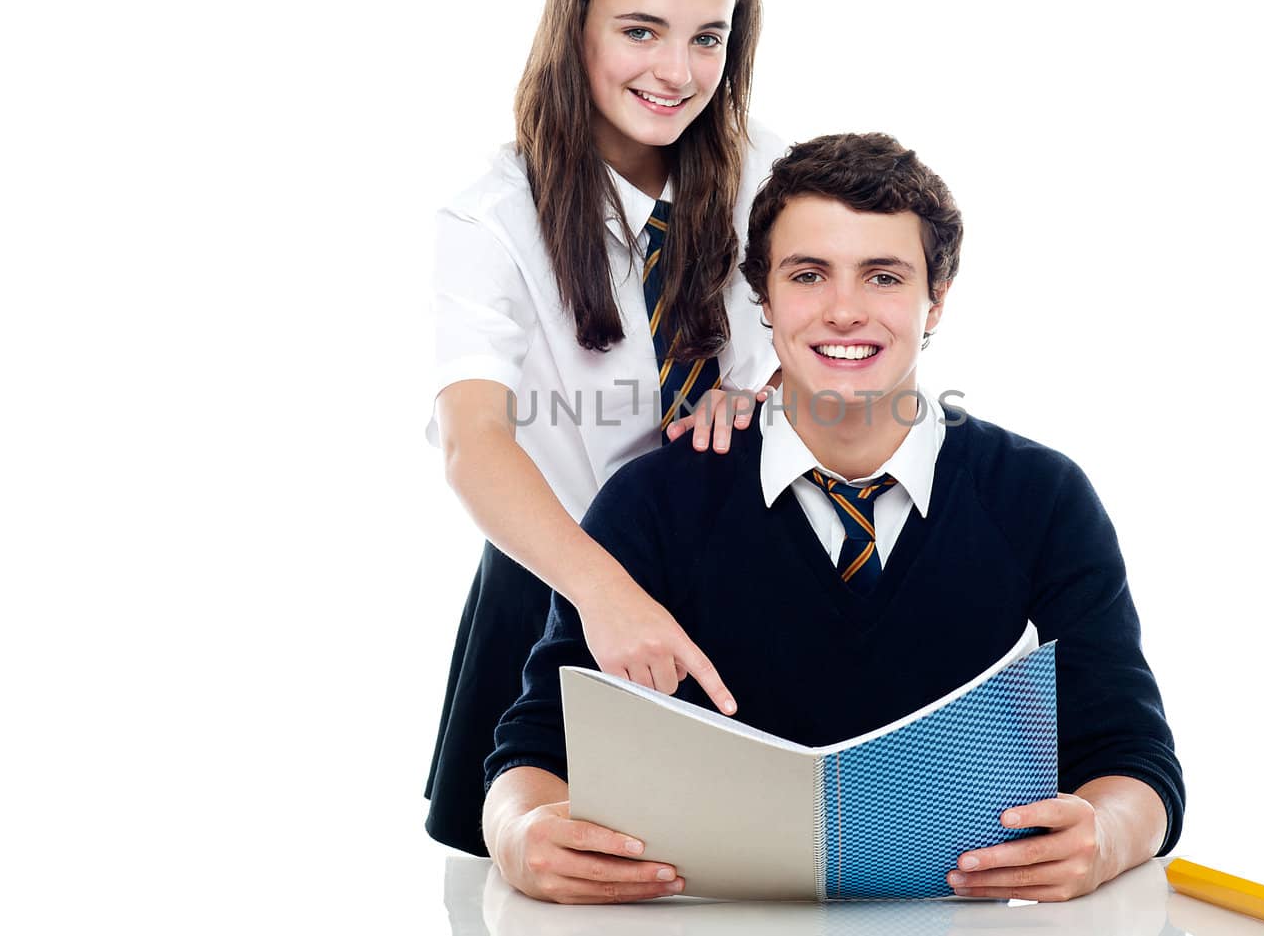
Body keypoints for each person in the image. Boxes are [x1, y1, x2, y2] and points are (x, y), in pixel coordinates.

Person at [480, 133, 1185, 904]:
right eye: (808, 274)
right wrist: (519, 835)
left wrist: (1106, 835)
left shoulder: (1042, 498)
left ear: (936, 298)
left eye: (883, 276)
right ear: (765, 299)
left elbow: (1133, 757)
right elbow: (536, 745)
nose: (844, 310)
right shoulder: (653, 501)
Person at [424, 0, 788, 857]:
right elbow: (473, 440)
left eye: (707, 38)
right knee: (524, 887)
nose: (677, 71)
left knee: (741, 883)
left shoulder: (774, 180)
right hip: (556, 593)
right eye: (641, 30)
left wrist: (762, 394)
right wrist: (604, 596)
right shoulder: (488, 219)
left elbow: (853, 352)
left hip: (729, 600)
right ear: (574, 19)